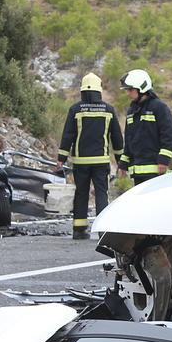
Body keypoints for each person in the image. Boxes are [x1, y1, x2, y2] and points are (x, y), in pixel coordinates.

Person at [57, 73, 124, 239]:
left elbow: (68, 135)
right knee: (102, 194)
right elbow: (117, 138)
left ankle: (79, 230)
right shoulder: (108, 110)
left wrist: (61, 158)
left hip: (81, 162)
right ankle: (103, 230)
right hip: (101, 161)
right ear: (99, 91)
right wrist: (120, 161)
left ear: (82, 91)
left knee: (81, 193)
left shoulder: (75, 110)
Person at [120, 69, 172, 186]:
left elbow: (169, 134)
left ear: (141, 88)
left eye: (130, 89)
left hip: (155, 171)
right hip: (137, 172)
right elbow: (129, 139)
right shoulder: (132, 111)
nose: (128, 93)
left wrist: (164, 160)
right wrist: (123, 164)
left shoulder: (159, 107)